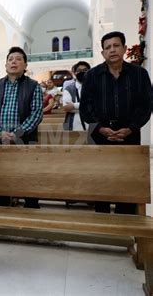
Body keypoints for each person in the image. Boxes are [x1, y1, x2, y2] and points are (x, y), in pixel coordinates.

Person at [80, 31, 152, 214]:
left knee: (127, 178)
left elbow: (146, 105)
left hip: (129, 132)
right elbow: (85, 106)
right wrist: (101, 128)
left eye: (116, 45)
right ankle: (102, 216)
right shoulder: (92, 76)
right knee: (101, 177)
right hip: (99, 133)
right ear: (103, 52)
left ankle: (125, 216)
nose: (112, 50)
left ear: (124, 48)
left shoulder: (139, 74)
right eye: (107, 47)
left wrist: (131, 128)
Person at [0, 46, 43, 208]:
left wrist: (17, 134)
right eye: (10, 59)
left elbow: (36, 114)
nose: (13, 62)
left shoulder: (34, 86)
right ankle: (1, 212)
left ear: (25, 65)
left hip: (25, 140)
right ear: (5, 65)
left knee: (27, 176)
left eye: (18, 59)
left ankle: (30, 210)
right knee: (1, 177)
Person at [63, 61, 91, 131]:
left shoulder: (95, 86)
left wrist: (74, 105)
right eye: (79, 71)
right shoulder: (69, 89)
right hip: (74, 126)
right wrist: (87, 106)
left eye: (85, 70)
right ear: (75, 73)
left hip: (93, 126)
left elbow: (97, 105)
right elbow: (66, 107)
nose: (82, 72)